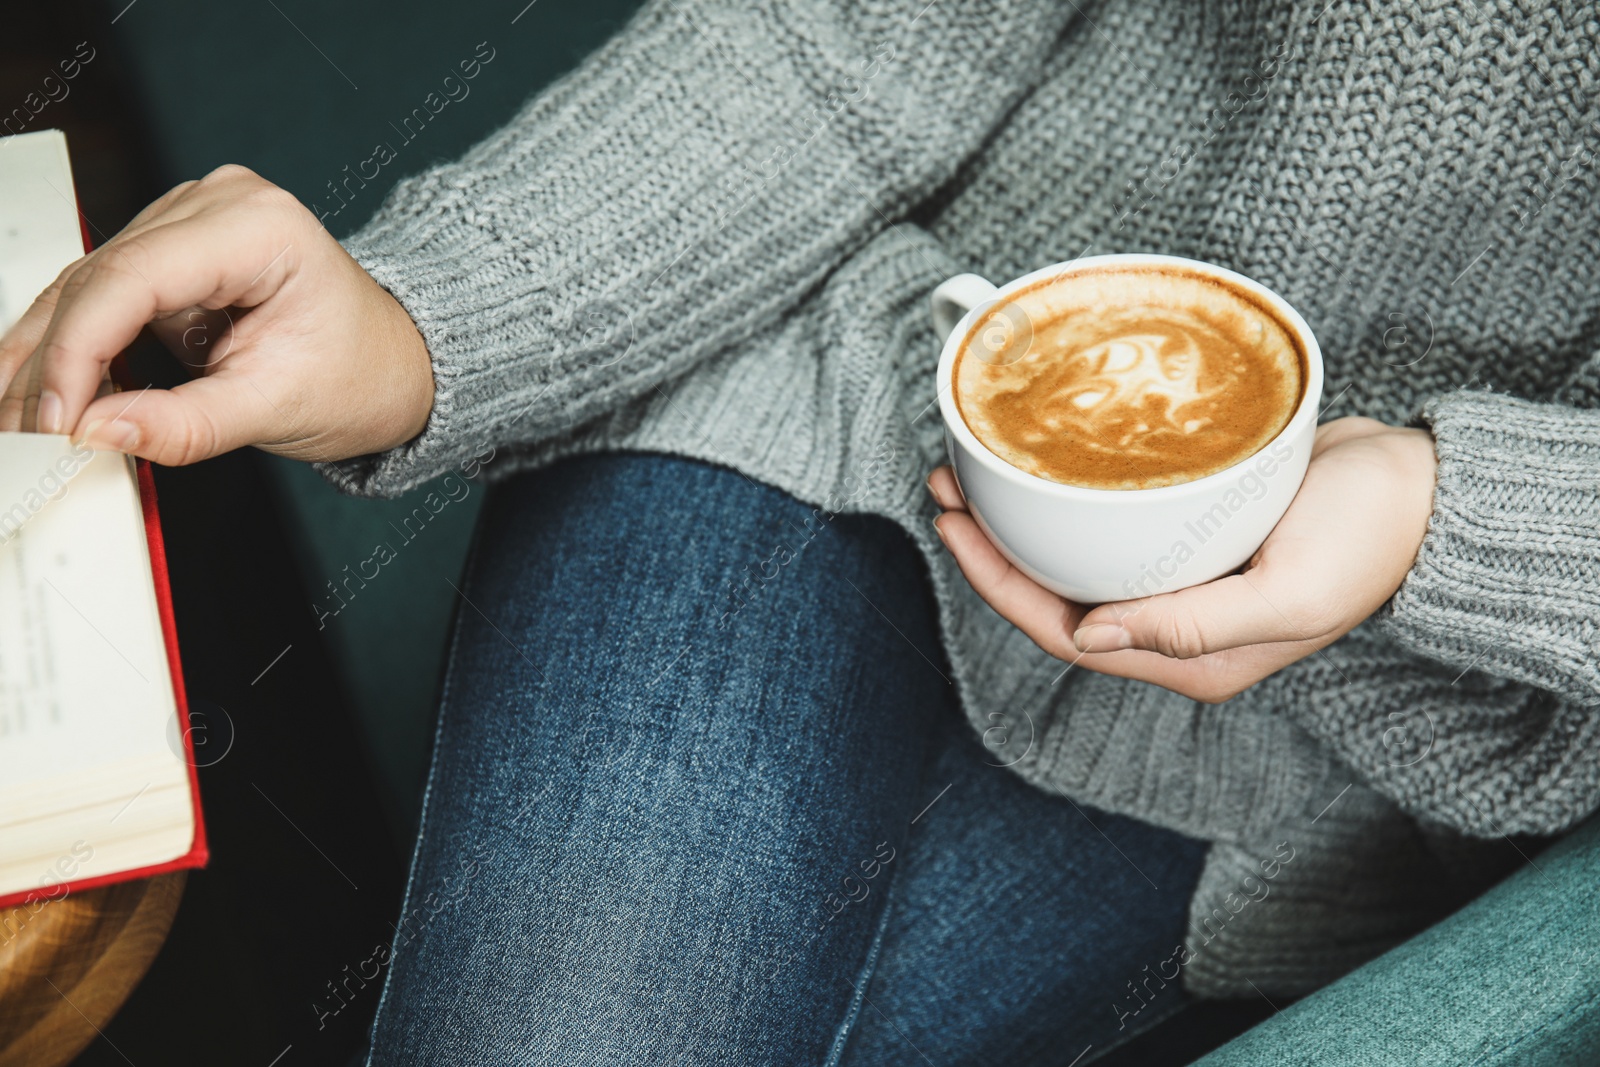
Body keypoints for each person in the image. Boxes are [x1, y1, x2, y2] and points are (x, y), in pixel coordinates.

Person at [3, 0, 1598, 1062]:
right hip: (853, 357)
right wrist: (424, 318)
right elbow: (851, 43)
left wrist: (1458, 517)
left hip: (1386, 699)